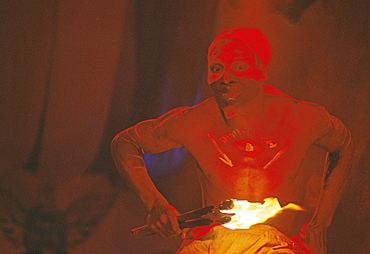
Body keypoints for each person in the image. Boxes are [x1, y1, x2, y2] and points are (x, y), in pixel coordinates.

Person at [110, 27, 353, 253]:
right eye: (216, 68)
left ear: (261, 69)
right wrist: (156, 204)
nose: (226, 78)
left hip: (276, 244)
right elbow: (125, 143)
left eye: (238, 66)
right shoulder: (195, 123)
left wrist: (321, 222)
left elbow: (343, 145)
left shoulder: (300, 119)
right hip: (209, 242)